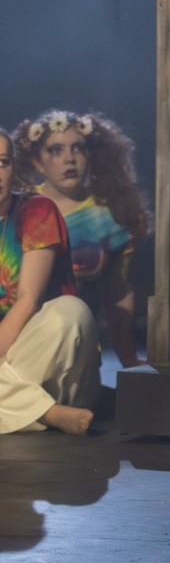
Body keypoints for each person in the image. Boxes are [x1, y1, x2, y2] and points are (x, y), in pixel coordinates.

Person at [10, 110, 148, 369]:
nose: (69, 159)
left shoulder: (107, 217)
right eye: (56, 150)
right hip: (15, 338)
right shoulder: (18, 208)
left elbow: (116, 293)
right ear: (38, 162)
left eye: (78, 148)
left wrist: (129, 359)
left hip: (74, 345)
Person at [0, 131, 100, 436]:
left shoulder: (36, 210)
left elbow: (28, 300)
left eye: (2, 163)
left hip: (51, 362)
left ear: (13, 167)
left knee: (70, 312)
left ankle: (22, 405)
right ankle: (47, 413)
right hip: (12, 373)